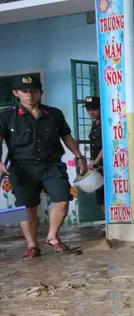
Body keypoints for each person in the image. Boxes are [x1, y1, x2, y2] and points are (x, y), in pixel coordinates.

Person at [0, 75, 89, 258]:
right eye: (24, 91)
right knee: (26, 208)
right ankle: (32, 246)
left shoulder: (54, 113)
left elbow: (66, 136)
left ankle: (52, 237)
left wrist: (79, 156)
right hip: (22, 168)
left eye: (33, 91)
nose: (30, 95)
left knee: (63, 199)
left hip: (51, 164)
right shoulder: (6, 116)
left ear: (40, 92)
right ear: (16, 93)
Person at [83, 96, 104, 209]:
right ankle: (107, 224)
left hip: (107, 165)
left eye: (94, 109)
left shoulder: (106, 123)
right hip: (97, 166)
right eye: (88, 109)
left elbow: (107, 144)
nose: (91, 112)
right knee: (100, 199)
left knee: (108, 196)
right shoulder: (95, 123)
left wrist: (96, 160)